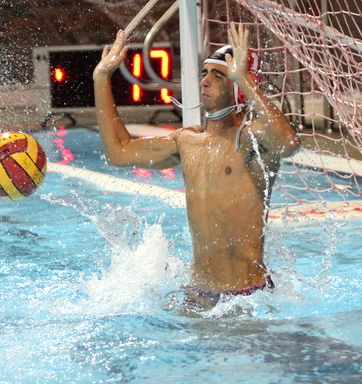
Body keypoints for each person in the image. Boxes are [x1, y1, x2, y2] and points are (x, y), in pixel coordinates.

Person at [92, 23, 300, 310]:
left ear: (238, 88)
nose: (205, 81)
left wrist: (244, 79)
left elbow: (288, 143)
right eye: (204, 73)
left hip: (246, 297)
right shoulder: (187, 141)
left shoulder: (251, 141)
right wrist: (101, 78)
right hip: (198, 294)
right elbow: (118, 153)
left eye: (218, 75)